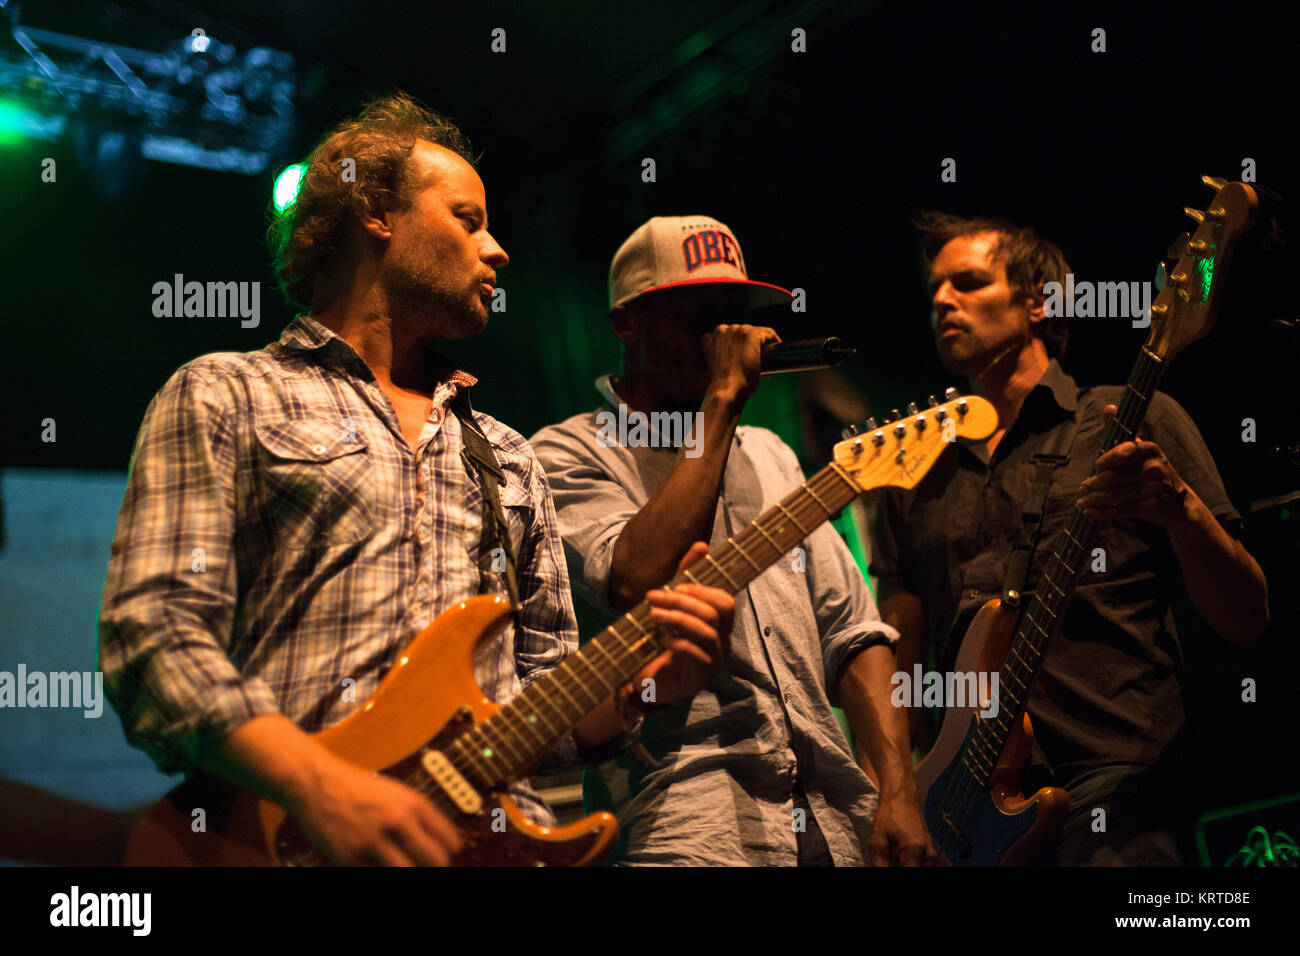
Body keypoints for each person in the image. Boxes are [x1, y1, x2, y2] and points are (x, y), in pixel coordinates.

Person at [97, 94, 734, 867]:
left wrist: (643, 686)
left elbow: (546, 714)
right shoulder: (226, 393)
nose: (497, 249)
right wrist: (319, 787)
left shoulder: (507, 454)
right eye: (468, 219)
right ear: (375, 211)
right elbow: (154, 637)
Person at [530, 215, 934, 866]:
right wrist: (722, 400)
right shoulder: (567, 451)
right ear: (626, 323)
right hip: (686, 821)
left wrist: (898, 788)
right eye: (701, 318)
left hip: (832, 817)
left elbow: (852, 633)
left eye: (735, 315)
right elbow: (635, 576)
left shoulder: (771, 455)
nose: (729, 338)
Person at [869, 212, 1270, 865]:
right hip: (964, 818)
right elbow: (898, 650)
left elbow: (1247, 617)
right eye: (936, 287)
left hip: (1119, 794)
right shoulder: (914, 471)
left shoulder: (1132, 417)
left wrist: (1181, 510)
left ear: (1038, 303)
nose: (942, 299)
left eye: (968, 282)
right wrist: (893, 789)